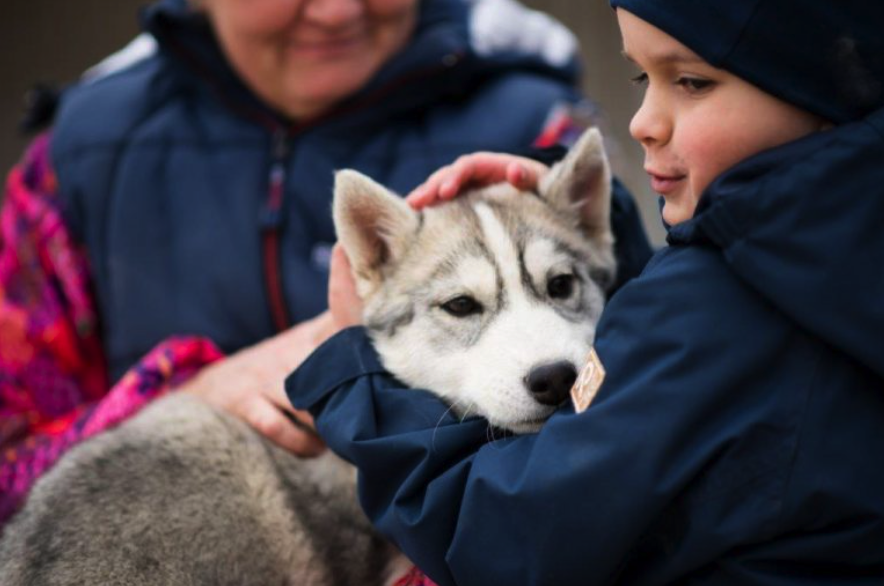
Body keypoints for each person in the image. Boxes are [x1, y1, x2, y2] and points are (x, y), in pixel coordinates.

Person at [285, 0, 884, 584]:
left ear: (822, 86)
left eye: (694, 82)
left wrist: (356, 375)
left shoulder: (716, 307)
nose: (641, 121)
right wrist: (586, 232)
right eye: (641, 76)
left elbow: (501, 540)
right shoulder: (817, 262)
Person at [0, 0, 654, 525]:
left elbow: (637, 418)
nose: (339, 11)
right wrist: (182, 401)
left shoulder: (537, 126)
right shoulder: (80, 159)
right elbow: (10, 467)